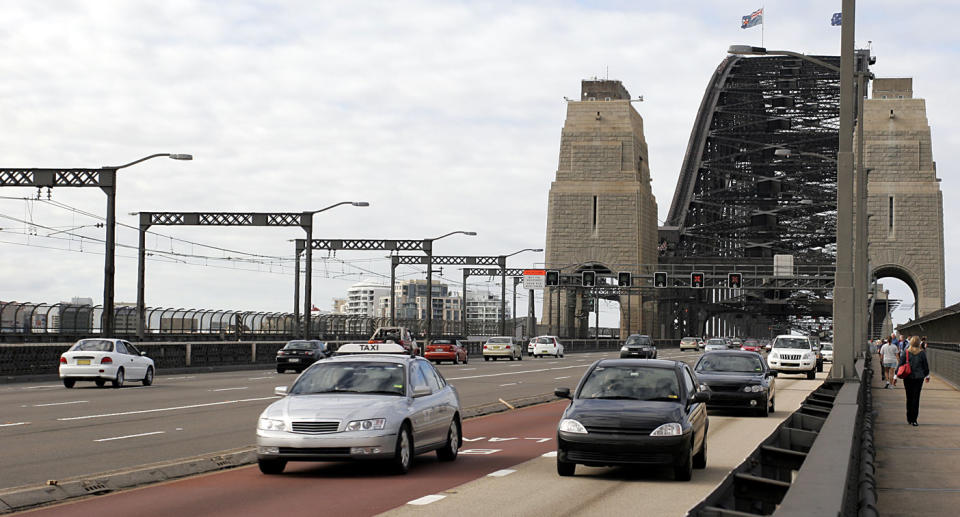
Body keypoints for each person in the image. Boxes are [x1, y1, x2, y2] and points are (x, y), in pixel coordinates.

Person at [898, 336, 931, 426]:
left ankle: (909, 418)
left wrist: (896, 375)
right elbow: (926, 366)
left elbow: (900, 364)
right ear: (919, 343)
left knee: (909, 397)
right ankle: (914, 420)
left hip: (908, 378)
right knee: (916, 398)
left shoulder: (906, 352)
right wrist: (926, 375)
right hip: (918, 378)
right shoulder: (922, 353)